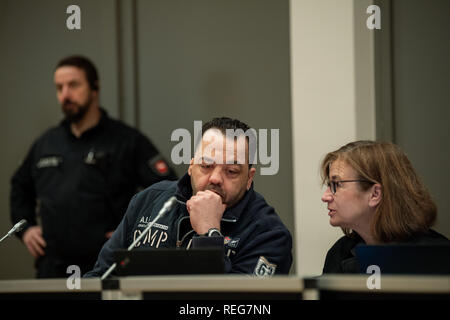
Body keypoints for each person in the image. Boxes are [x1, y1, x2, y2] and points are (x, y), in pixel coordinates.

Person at [10, 55, 177, 278]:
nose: (65, 94)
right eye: (59, 88)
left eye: (73, 85)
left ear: (95, 88)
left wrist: (132, 232)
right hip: (52, 267)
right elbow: (20, 187)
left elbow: (168, 191)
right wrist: (26, 229)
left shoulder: (126, 141)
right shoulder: (45, 143)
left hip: (105, 264)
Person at [84, 117, 292, 277]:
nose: (216, 178)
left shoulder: (269, 234)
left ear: (249, 178)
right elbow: (101, 276)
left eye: (231, 171)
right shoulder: (149, 201)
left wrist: (210, 235)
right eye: (206, 166)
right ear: (191, 166)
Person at [320, 140, 449, 274]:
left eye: (336, 185)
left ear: (375, 194)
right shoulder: (340, 252)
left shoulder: (435, 258)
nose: (325, 197)